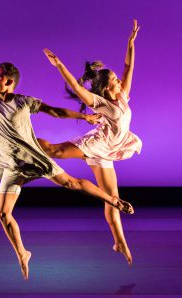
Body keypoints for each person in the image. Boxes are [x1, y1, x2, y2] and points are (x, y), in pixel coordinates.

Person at [0, 57, 134, 279]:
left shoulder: (23, 102)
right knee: (3, 213)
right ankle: (23, 253)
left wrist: (84, 116)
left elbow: (55, 112)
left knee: (72, 183)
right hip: (13, 164)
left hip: (33, 158)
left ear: (9, 82)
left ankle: (114, 200)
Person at [38, 20, 142, 265]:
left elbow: (128, 66)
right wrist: (60, 65)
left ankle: (119, 242)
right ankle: (20, 138)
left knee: (112, 197)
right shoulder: (102, 102)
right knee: (54, 151)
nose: (120, 81)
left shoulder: (122, 96)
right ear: (107, 87)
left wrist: (130, 43)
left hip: (109, 149)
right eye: (116, 80)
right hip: (98, 143)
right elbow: (75, 87)